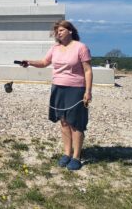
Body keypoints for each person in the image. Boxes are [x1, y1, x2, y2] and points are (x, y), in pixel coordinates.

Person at [21, 20, 92, 171]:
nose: (58, 33)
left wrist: (88, 91)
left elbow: (87, 70)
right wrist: (29, 62)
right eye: (56, 31)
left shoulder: (81, 47)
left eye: (61, 30)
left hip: (76, 89)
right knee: (64, 121)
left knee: (76, 123)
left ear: (70, 31)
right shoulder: (55, 48)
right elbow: (44, 62)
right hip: (58, 88)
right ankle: (67, 153)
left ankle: (76, 156)